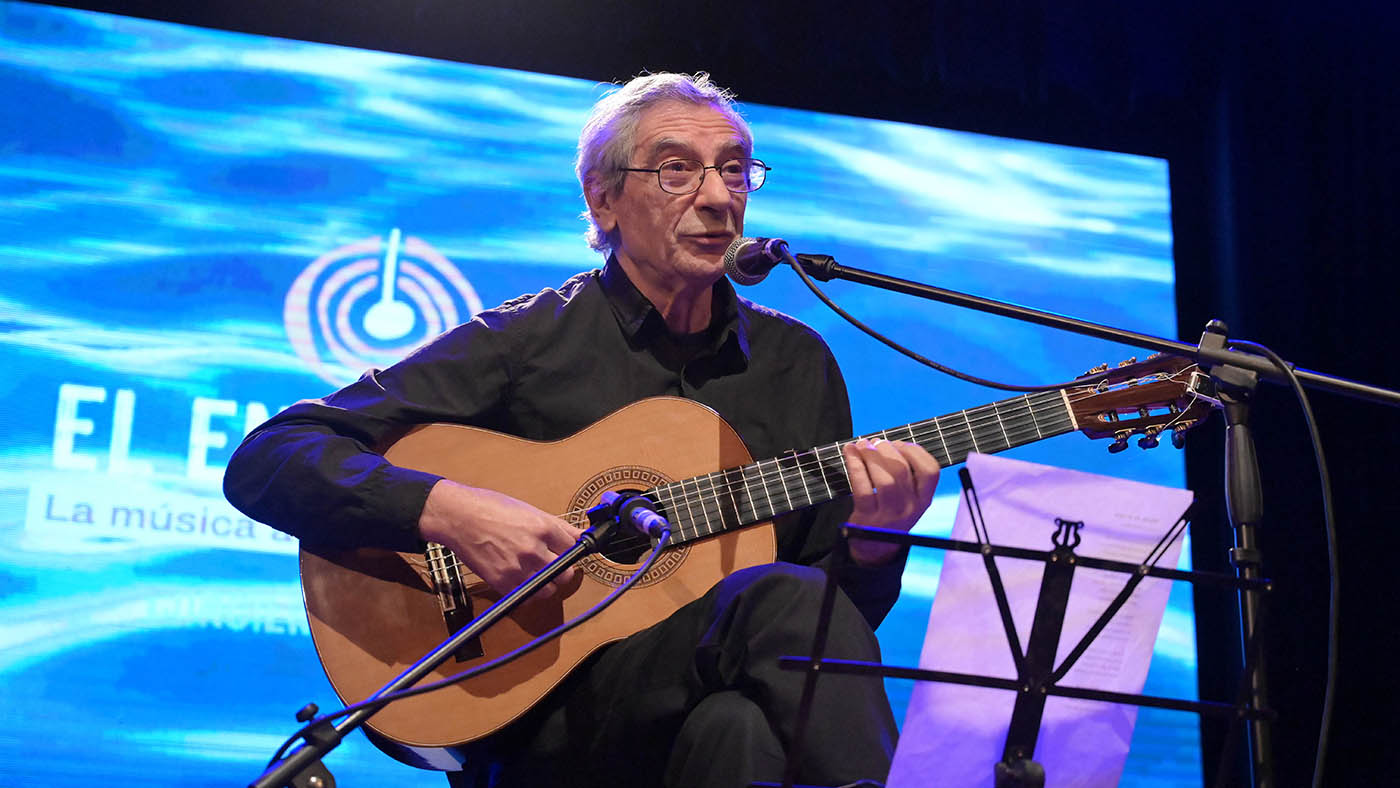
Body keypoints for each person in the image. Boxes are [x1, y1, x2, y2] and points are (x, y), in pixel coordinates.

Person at [224, 71, 940, 788]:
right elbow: (271, 457)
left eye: (733, 170)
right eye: (676, 170)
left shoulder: (795, 364)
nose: (719, 198)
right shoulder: (529, 341)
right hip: (543, 715)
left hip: (694, 717)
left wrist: (875, 545)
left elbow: (820, 643)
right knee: (779, 604)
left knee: (740, 727)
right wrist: (452, 513)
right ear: (603, 197)